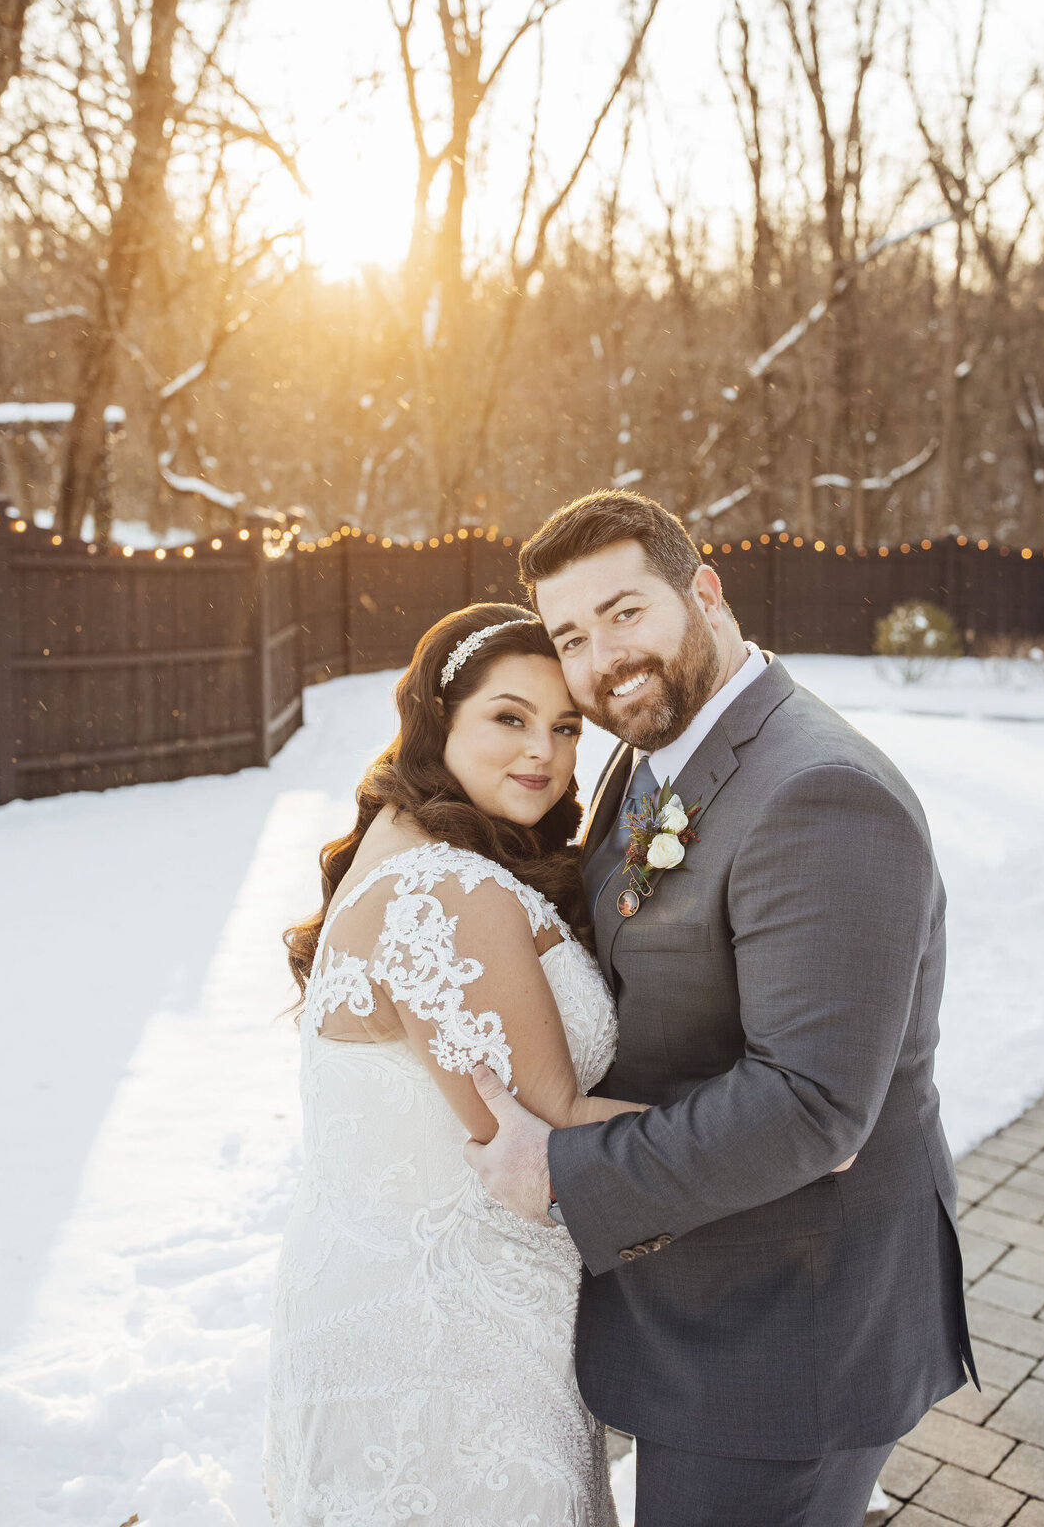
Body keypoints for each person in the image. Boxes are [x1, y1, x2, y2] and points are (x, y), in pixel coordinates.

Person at [465, 490, 976, 1527]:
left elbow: (811, 1109)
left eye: (625, 612)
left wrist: (559, 1171)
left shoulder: (822, 794)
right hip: (702, 1294)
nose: (604, 659)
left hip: (792, 1334)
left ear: (704, 592)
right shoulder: (650, 749)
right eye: (572, 637)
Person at [264, 602, 642, 1527]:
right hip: (446, 1350)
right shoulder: (442, 885)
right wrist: (782, 1124)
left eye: (565, 727)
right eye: (509, 717)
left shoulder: (416, 843)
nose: (544, 753)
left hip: (401, 1305)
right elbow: (549, 1136)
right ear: (439, 721)